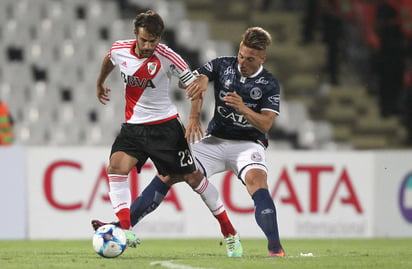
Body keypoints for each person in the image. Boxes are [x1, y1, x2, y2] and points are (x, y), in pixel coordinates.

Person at [96, 26, 284, 257]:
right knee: (167, 175)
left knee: (257, 182)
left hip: (248, 144)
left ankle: (275, 248)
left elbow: (265, 124)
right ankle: (122, 227)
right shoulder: (224, 65)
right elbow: (195, 79)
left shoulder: (269, 83)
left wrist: (243, 108)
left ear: (262, 58)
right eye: (241, 55)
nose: (242, 62)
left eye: (250, 59)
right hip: (215, 141)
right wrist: (201, 87)